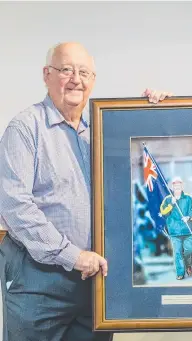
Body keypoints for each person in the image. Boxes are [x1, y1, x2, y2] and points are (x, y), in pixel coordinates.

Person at [0, 41, 169, 341]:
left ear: (93, 81)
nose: (76, 78)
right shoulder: (25, 128)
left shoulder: (103, 129)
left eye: (84, 72)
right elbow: (15, 207)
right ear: (46, 75)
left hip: (94, 283)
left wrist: (155, 109)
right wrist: (72, 255)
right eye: (66, 69)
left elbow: (141, 173)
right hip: (38, 282)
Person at [160, 176, 192, 280]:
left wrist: (188, 216)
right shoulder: (167, 200)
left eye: (179, 185)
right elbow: (163, 213)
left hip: (187, 231)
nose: (177, 186)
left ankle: (188, 265)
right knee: (177, 253)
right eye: (175, 185)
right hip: (175, 232)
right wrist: (171, 204)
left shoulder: (188, 198)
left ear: (182, 186)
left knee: (189, 250)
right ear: (172, 187)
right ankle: (180, 273)